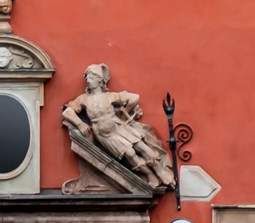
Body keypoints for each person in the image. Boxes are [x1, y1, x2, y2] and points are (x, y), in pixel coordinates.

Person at [61, 63, 174, 192]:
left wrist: (123, 112)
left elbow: (134, 98)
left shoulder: (110, 96)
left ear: (100, 80)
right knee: (130, 154)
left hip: (119, 127)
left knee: (141, 147)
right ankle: (150, 174)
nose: (87, 80)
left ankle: (160, 172)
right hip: (104, 134)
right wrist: (80, 123)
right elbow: (67, 112)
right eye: (86, 77)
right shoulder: (83, 99)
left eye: (91, 77)